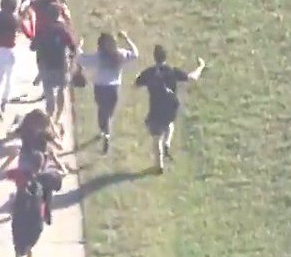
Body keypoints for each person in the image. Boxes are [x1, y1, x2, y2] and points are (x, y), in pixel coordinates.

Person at [133, 45, 206, 173]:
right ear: (166, 57)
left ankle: (159, 165)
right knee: (169, 124)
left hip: (155, 108)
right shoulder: (172, 71)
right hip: (170, 107)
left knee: (156, 138)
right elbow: (192, 78)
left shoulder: (149, 72)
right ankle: (167, 143)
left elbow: (135, 85)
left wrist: (138, 77)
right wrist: (200, 66)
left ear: (154, 57)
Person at [78, 31, 139, 154]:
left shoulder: (99, 57)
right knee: (109, 114)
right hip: (114, 88)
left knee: (102, 110)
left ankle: (104, 132)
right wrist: (127, 38)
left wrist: (79, 46)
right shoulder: (120, 55)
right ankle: (106, 132)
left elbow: (81, 60)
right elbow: (135, 54)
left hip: (100, 88)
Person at [29, 3, 78, 134]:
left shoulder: (42, 29)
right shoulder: (63, 29)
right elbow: (73, 46)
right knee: (62, 90)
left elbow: (32, 47)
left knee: (49, 91)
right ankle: (58, 116)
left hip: (46, 65)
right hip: (61, 64)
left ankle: (49, 115)